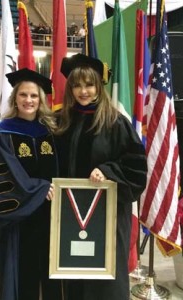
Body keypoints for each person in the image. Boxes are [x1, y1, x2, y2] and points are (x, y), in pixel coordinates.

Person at [55, 53, 147, 300]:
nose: (83, 91)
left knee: (105, 279)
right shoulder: (62, 122)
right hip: (70, 215)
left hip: (109, 216)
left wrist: (108, 170)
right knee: (73, 272)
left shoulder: (115, 122)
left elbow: (137, 168)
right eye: (77, 85)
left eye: (89, 84)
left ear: (99, 85)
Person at [0, 68, 63, 300]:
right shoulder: (1, 134)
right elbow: (2, 177)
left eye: (34, 96)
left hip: (52, 216)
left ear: (41, 99)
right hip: (18, 218)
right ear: (15, 98)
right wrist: (38, 189)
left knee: (51, 273)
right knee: (23, 276)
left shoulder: (51, 132)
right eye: (24, 95)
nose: (29, 100)